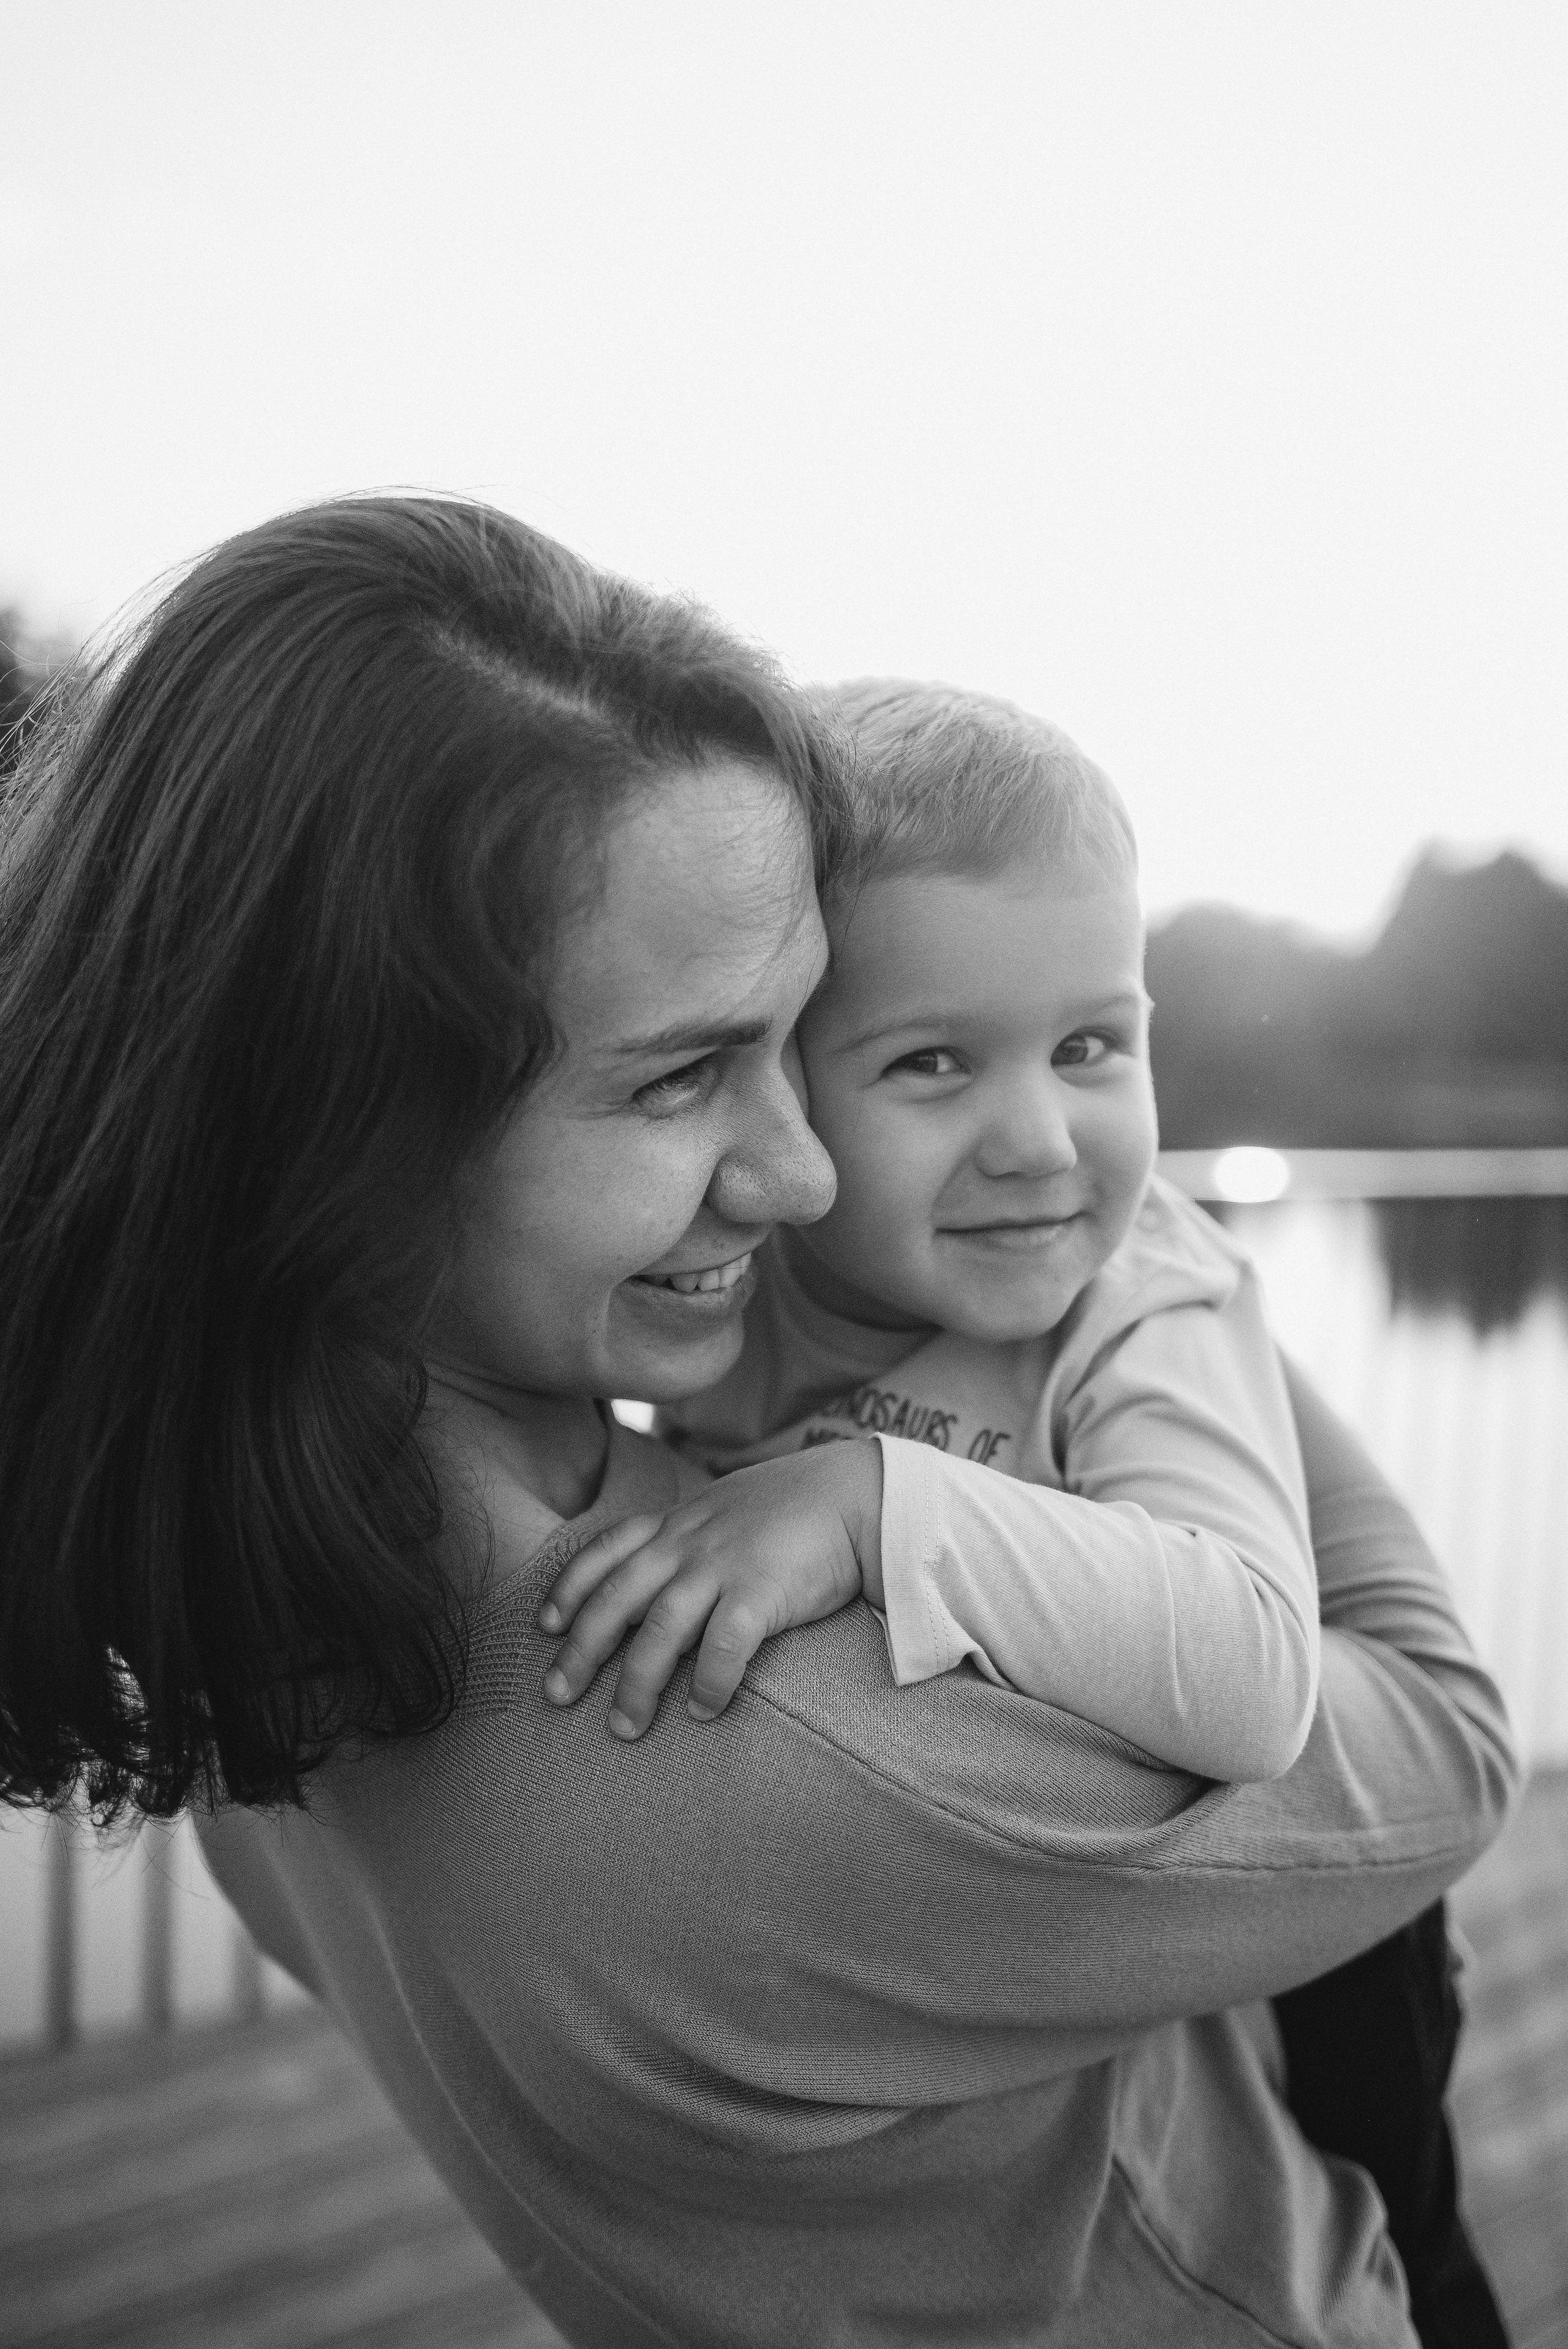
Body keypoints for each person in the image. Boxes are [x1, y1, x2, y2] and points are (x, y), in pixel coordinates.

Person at [0, 497, 1517, 2348]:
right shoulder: (771, 1762)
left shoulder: (241, 1612)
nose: (802, 1177)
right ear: (338, 1134)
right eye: (684, 1075)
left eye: (798, 1045)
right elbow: (1433, 1744)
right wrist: (1150, 1275)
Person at [541, 678, 1508, 2345]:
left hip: (1319, 1956)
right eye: (932, 1062)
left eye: (1093, 1045)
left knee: (1398, 2249)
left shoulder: (1140, 1303)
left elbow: (1257, 1669)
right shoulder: (730, 1306)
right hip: (1047, 1957)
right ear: (781, 1089)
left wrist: (868, 1504)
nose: (1045, 1140)